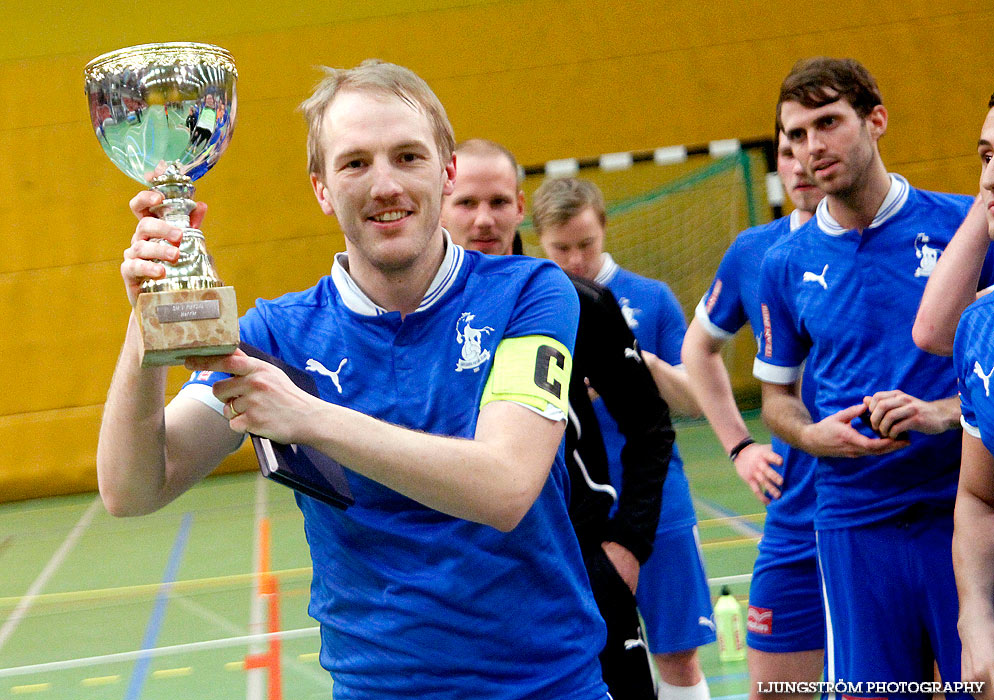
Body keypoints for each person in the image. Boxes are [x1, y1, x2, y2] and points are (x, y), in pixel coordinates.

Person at [96, 60, 611, 699]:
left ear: (446, 172)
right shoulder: (278, 335)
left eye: (407, 157)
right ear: (321, 188)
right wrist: (144, 319)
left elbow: (505, 487)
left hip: (546, 686)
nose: (385, 185)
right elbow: (132, 487)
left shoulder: (529, 293)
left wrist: (310, 417)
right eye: (355, 163)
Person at [754, 57, 974, 696]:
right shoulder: (784, 263)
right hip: (852, 520)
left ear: (876, 120)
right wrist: (814, 436)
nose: (810, 148)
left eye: (828, 123)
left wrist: (942, 412)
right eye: (795, 135)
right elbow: (775, 398)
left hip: (960, 510)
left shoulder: (966, 226)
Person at [441, 138, 675, 699]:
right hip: (469, 587)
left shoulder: (576, 302)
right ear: (440, 201)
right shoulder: (413, 316)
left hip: (581, 566)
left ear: (521, 207)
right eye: (466, 202)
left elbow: (650, 425)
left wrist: (627, 546)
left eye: (498, 202)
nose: (484, 219)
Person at [532, 177, 713, 700]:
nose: (576, 260)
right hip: (578, 512)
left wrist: (634, 366)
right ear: (541, 240)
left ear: (604, 227)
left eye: (585, 244)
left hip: (657, 503)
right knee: (595, 658)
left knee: (677, 651)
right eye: (561, 248)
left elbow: (695, 399)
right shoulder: (536, 304)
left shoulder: (649, 298)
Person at [682, 132, 825, 699]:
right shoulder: (756, 251)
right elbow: (699, 348)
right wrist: (740, 447)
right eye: (787, 151)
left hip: (891, 509)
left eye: (812, 145)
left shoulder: (904, 238)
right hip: (795, 516)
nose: (800, 164)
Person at [946, 93, 994, 698]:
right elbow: (980, 495)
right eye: (986, 155)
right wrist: (976, 619)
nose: (990, 177)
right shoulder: (979, 329)